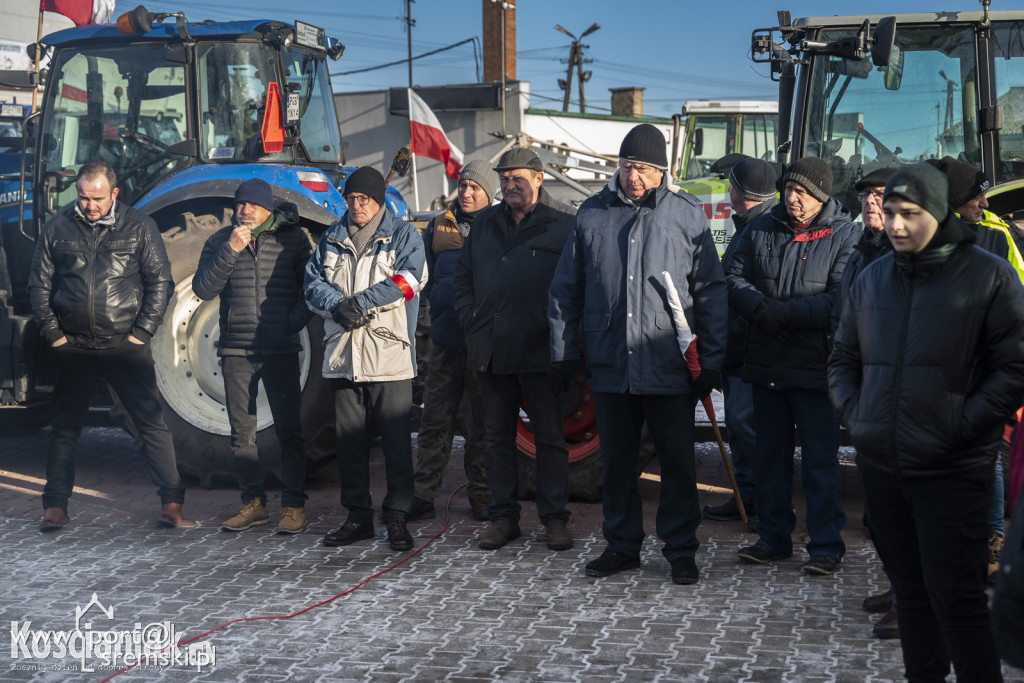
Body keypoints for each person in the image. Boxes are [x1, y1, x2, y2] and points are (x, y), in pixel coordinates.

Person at [829, 162, 1024, 681]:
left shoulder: (988, 275)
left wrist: (960, 427)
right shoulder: (873, 279)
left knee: (957, 600)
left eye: (909, 214)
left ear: (937, 213)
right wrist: (859, 418)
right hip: (883, 470)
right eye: (890, 211)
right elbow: (843, 358)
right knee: (911, 597)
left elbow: (1014, 368)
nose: (895, 224)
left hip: (952, 472)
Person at [549, 123, 728, 585]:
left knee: (677, 464)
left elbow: (710, 291)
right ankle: (621, 545)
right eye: (628, 167)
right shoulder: (592, 213)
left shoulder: (686, 215)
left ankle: (681, 549)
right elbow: (566, 289)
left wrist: (711, 359)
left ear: (662, 171)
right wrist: (563, 352)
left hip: (668, 362)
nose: (634, 177)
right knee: (616, 464)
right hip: (610, 363)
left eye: (645, 169)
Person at [29, 161, 187, 529]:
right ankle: (55, 506)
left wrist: (142, 332)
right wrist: (54, 334)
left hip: (124, 346)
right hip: (75, 346)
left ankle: (172, 502)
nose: (89, 205)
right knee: (64, 428)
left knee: (151, 425)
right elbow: (38, 285)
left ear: (114, 193)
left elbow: (160, 283)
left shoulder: (140, 227)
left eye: (97, 198)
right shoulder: (56, 228)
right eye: (83, 197)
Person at [726, 156, 859, 575]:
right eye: (788, 189)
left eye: (801, 192)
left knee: (820, 462)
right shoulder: (761, 227)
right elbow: (733, 277)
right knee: (771, 458)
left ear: (821, 197)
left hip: (815, 367)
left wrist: (784, 315)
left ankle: (826, 545)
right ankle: (773, 538)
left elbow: (839, 297)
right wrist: (760, 310)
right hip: (766, 362)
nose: (792, 198)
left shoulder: (845, 235)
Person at [453, 147, 576, 552]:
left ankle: (554, 519)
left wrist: (566, 342)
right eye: (504, 179)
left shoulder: (563, 224)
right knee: (495, 438)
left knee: (550, 439)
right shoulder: (485, 225)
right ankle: (503, 518)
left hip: (542, 349)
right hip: (493, 347)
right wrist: (471, 320)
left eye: (517, 178)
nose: (509, 185)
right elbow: (463, 279)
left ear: (539, 179)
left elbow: (580, 285)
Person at [304, 166, 426, 552]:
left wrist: (360, 303)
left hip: (389, 357)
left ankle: (397, 517)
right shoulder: (330, 238)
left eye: (364, 199)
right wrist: (336, 306)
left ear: (378, 200)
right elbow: (311, 284)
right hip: (343, 358)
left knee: (396, 444)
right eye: (351, 198)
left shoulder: (403, 235)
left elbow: (410, 279)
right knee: (349, 445)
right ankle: (357, 517)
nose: (356, 205)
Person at [192, 179, 313, 534]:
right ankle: (253, 504)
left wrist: (288, 324)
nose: (244, 211)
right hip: (236, 349)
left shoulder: (293, 240)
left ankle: (293, 506)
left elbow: (312, 290)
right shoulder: (219, 241)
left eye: (252, 205)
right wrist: (230, 250)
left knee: (289, 430)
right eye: (240, 204)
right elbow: (203, 289)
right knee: (242, 434)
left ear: (267, 209)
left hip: (280, 349)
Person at [927, 155, 1024, 583]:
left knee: (986, 458)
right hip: (932, 371)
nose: (985, 203)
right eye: (976, 196)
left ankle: (992, 541)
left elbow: (1015, 304)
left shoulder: (996, 236)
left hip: (980, 369)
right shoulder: (923, 236)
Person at [407, 160, 498, 523]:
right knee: (434, 421)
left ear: (489, 193)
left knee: (481, 423)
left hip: (482, 344)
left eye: (475, 187)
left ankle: (482, 492)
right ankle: (422, 494)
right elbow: (423, 279)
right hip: (444, 341)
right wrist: (430, 319)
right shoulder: (438, 226)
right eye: (463, 185)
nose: (466, 192)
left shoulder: (499, 225)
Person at [840, 167, 900, 639]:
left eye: (879, 195)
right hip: (868, 395)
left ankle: (914, 600)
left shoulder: (908, 256)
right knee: (879, 509)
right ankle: (900, 585)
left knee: (906, 509)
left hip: (906, 400)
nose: (870, 203)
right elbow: (843, 324)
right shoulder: (862, 252)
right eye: (865, 196)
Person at [702, 156, 777, 525]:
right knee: (738, 423)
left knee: (747, 425)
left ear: (742, 193)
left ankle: (765, 501)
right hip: (737, 346)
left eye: (731, 185)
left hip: (751, 348)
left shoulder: (763, 230)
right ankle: (747, 495)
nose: (727, 190)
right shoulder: (748, 225)